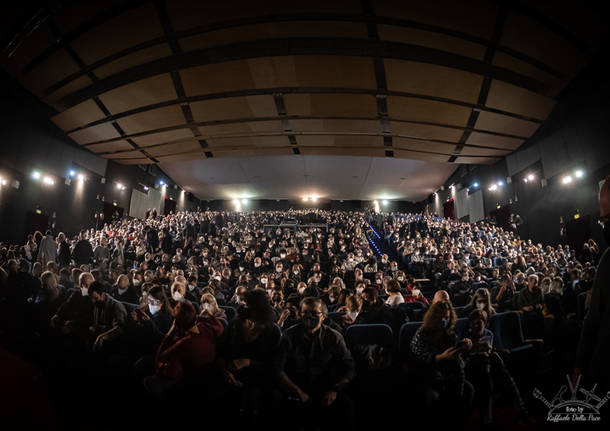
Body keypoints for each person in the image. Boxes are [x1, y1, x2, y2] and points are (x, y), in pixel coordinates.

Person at [277, 297, 355, 429]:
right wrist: (297, 392)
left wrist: (335, 390)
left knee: (346, 406)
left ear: (323, 316)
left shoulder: (333, 337)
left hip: (325, 388)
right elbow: (278, 369)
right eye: (305, 312)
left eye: (314, 313)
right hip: (295, 388)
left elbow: (349, 367)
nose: (309, 316)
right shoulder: (289, 336)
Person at [144, 300, 224, 399]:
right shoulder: (206, 328)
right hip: (207, 376)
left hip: (188, 381)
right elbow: (220, 325)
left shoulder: (184, 343)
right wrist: (200, 317)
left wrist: (170, 332)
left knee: (148, 379)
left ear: (177, 324)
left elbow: (160, 358)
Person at [573, 176, 610, 390]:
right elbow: (592, 319)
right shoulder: (607, 259)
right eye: (604, 221)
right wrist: (580, 365)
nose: (605, 227)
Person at [462, 310, 528, 425]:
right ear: (470, 324)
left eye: (480, 323)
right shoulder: (466, 336)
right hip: (473, 366)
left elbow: (490, 349)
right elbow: (464, 358)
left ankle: (519, 410)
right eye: (474, 323)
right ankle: (518, 410)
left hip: (489, 365)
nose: (476, 326)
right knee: (491, 362)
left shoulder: (489, 334)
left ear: (485, 323)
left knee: (495, 361)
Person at [410, 301, 473, 420]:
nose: (444, 320)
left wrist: (465, 347)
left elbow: (454, 352)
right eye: (441, 317)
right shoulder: (422, 332)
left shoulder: (449, 332)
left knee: (469, 389)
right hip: (427, 373)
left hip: (447, 371)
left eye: (447, 317)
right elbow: (419, 357)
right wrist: (440, 357)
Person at [88, 281, 128, 352]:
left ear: (103, 294)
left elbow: (119, 328)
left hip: (113, 345)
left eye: (96, 298)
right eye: (91, 298)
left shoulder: (116, 306)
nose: (93, 301)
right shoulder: (98, 304)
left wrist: (102, 337)